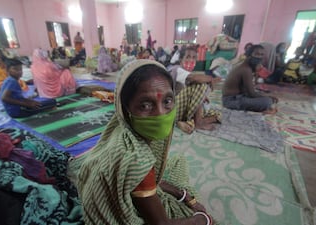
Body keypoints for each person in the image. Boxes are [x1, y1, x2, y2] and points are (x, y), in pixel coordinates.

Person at [74, 59, 213, 225]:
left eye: (167, 101)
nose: (160, 114)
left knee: (175, 167)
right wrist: (202, 219)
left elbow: (148, 180)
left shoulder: (118, 129)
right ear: (126, 108)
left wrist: (183, 195)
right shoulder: (137, 159)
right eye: (146, 105)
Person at [170, 46, 221, 133]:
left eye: (194, 57)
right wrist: (211, 79)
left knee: (215, 114)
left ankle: (181, 122)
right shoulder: (177, 69)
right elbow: (195, 78)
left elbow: (189, 89)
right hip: (172, 109)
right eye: (188, 57)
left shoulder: (187, 73)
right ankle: (199, 122)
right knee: (200, 83)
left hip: (179, 109)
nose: (191, 60)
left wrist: (202, 97)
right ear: (181, 59)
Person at [222, 44, 278, 114]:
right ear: (249, 55)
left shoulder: (246, 67)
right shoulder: (246, 70)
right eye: (257, 54)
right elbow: (252, 94)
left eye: (261, 55)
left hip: (236, 98)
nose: (259, 57)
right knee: (267, 102)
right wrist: (268, 97)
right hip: (232, 101)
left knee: (263, 97)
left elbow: (248, 91)